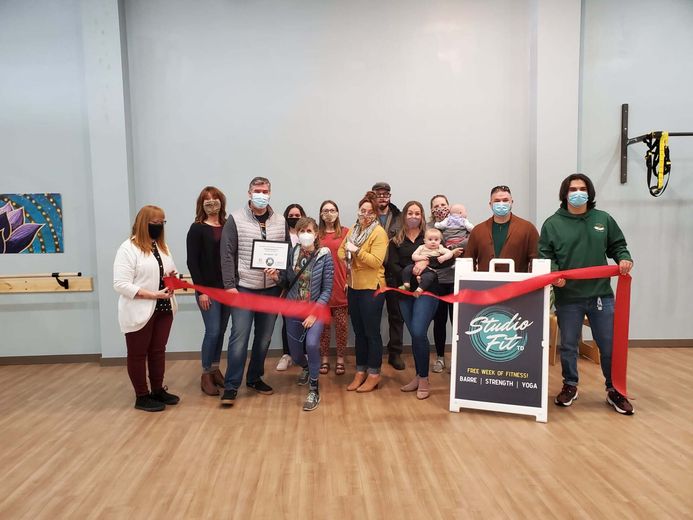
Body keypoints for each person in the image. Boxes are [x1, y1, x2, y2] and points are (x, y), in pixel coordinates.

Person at [539, 173, 634, 415]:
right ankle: (570, 385)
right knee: (569, 346)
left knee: (608, 345)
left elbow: (617, 245)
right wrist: (555, 273)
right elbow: (545, 256)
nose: (578, 192)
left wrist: (623, 257)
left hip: (601, 295)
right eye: (573, 189)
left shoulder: (603, 219)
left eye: (582, 188)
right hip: (568, 297)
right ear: (565, 194)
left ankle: (615, 390)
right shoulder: (553, 223)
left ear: (589, 193)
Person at [219, 176, 288, 405]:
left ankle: (255, 377)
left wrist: (280, 278)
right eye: (257, 190)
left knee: (264, 339)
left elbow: (286, 254)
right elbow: (227, 254)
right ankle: (231, 385)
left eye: (265, 190)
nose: (262, 194)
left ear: (270, 193)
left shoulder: (280, 220)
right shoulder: (235, 219)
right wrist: (229, 285)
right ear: (249, 193)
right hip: (244, 289)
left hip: (271, 290)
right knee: (239, 337)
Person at [113, 205, 179, 412]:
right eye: (155, 223)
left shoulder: (162, 247)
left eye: (162, 223)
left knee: (158, 351)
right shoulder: (127, 249)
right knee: (137, 353)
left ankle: (157, 390)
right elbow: (120, 284)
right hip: (139, 308)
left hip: (164, 307)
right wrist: (153, 294)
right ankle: (142, 395)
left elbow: (169, 270)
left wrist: (174, 279)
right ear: (143, 223)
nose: (159, 226)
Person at [269, 217, 334, 411]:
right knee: (296, 353)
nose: (305, 234)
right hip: (293, 309)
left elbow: (327, 289)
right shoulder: (293, 253)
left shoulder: (325, 255)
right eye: (301, 231)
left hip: (315, 311)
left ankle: (314, 389)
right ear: (297, 234)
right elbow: (286, 282)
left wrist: (314, 313)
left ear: (316, 234)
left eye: (309, 230)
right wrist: (276, 277)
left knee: (312, 344)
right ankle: (306, 368)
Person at [386, 201, 438, 399]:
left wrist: (425, 264)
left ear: (422, 216)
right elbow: (392, 264)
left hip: (427, 292)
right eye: (410, 212)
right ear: (404, 216)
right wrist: (411, 276)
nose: (413, 216)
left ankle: (424, 379)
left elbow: (444, 259)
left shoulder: (430, 238)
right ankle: (418, 375)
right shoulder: (396, 241)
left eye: (417, 213)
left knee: (418, 331)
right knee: (416, 335)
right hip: (405, 292)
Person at [339, 191, 388, 392]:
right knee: (359, 332)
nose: (365, 214)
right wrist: (350, 251)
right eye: (362, 210)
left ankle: (374, 373)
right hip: (354, 286)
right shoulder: (354, 230)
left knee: (371, 333)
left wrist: (357, 251)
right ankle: (360, 371)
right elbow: (341, 251)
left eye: (369, 211)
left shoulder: (379, 233)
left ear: (375, 213)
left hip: (372, 287)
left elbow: (376, 262)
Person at [186, 186, 231, 396]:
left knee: (221, 331)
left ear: (221, 201)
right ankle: (205, 374)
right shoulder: (196, 229)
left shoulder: (228, 225)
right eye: (207, 199)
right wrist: (201, 291)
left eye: (215, 199)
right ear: (201, 204)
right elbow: (192, 262)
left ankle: (215, 369)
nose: (212, 202)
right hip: (208, 290)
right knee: (212, 331)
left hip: (227, 288)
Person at [427, 194, 464, 373]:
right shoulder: (428, 228)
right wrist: (450, 254)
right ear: (431, 209)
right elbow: (428, 255)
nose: (440, 208)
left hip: (456, 281)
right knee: (439, 321)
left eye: (443, 204)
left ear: (449, 206)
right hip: (437, 282)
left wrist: (449, 251)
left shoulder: (459, 222)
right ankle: (440, 358)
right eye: (436, 206)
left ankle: (458, 358)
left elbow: (468, 241)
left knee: (457, 321)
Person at [464, 185, 539, 272]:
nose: (501, 203)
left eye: (505, 200)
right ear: (490, 204)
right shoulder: (478, 230)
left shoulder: (528, 229)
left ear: (512, 202)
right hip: (486, 284)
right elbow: (468, 262)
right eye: (497, 201)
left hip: (517, 284)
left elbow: (536, 260)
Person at [372, 181, 405, 370]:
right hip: (373, 273)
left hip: (393, 272)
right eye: (379, 194)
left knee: (396, 315)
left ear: (390, 196)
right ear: (373, 196)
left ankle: (395, 353)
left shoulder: (399, 217)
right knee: (373, 315)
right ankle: (373, 354)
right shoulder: (367, 215)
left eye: (386, 194)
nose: (382, 197)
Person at [317, 200, 349, 376]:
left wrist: (349, 279)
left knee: (342, 326)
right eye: (325, 211)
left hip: (341, 284)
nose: (329, 213)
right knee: (323, 327)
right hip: (322, 287)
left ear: (337, 212)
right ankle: (324, 359)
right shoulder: (316, 234)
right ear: (320, 214)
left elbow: (352, 259)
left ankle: (341, 359)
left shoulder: (345, 232)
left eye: (332, 210)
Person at [276, 203, 307, 371]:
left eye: (297, 216)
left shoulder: (308, 235)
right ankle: (287, 355)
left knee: (304, 321)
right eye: (291, 215)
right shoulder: (282, 236)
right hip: (286, 285)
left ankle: (303, 354)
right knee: (287, 321)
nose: (294, 218)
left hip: (305, 286)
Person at [400, 228, 453, 295]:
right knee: (407, 269)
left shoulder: (440, 248)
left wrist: (444, 257)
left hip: (429, 270)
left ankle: (419, 290)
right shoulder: (421, 247)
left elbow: (450, 253)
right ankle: (406, 284)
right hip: (416, 266)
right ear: (425, 241)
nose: (433, 242)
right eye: (430, 239)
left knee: (429, 277)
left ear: (440, 241)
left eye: (436, 240)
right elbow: (413, 256)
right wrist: (420, 257)